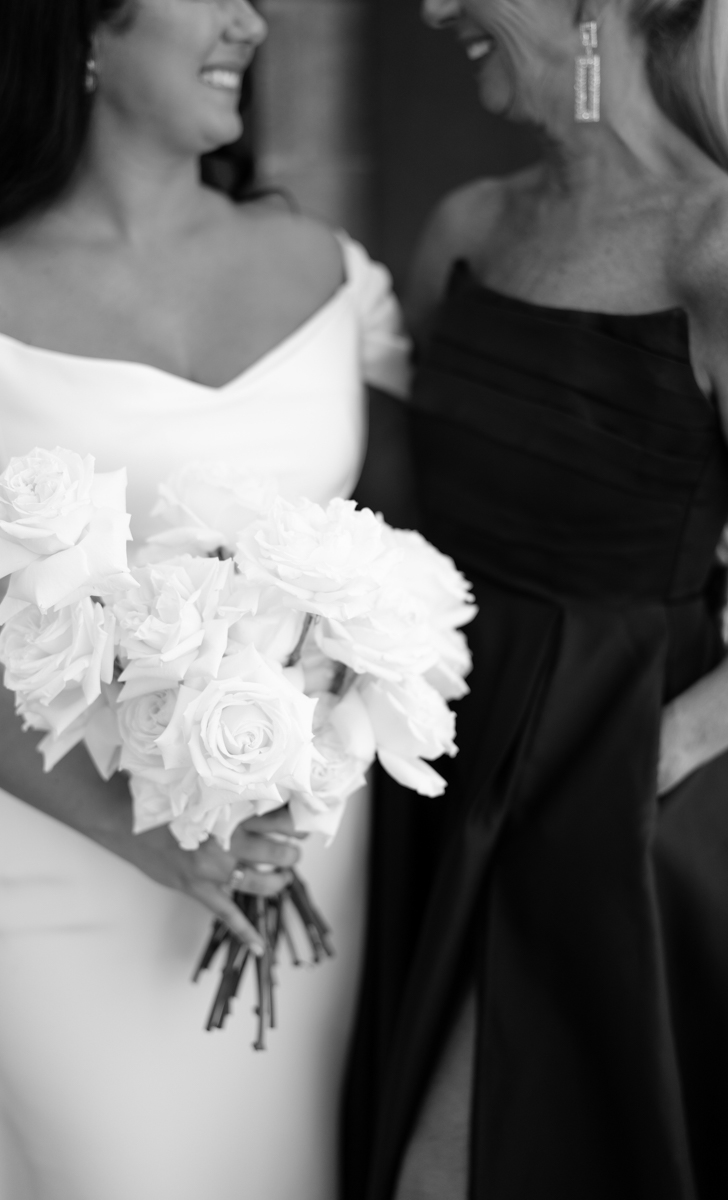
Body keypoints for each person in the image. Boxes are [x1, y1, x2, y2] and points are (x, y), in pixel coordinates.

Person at [0, 2, 410, 1198]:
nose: (251, 21)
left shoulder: (331, 274)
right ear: (80, 25)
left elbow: (402, 567)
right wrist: (146, 832)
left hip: (289, 854)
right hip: (67, 858)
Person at [342, 0, 728, 1197]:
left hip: (610, 794)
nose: (433, 9)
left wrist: (647, 768)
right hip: (434, 780)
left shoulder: (713, 245)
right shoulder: (465, 226)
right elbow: (389, 519)